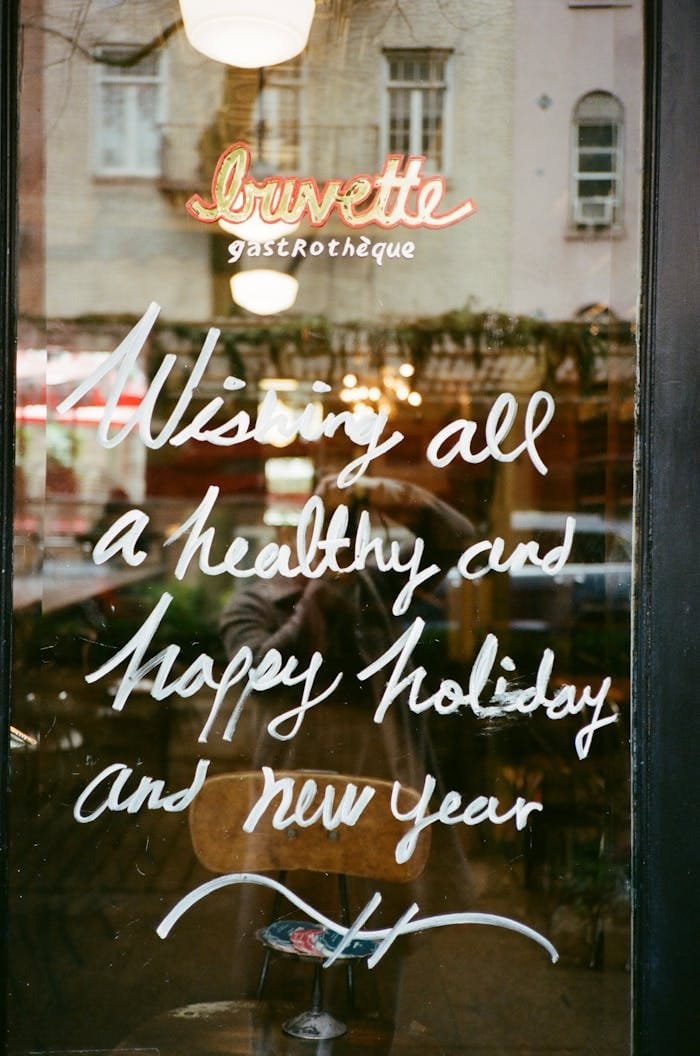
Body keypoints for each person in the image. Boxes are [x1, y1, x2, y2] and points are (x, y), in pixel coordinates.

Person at [218, 475, 475, 781]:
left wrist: (387, 493)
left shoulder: (373, 586)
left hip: (380, 774)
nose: (333, 545)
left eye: (346, 535)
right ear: (288, 538)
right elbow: (261, 676)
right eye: (322, 532)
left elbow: (456, 538)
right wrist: (327, 589)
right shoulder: (251, 606)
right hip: (290, 781)